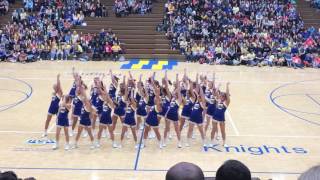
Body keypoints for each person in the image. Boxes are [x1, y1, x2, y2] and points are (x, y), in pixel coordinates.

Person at [141, 77, 163, 149]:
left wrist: (153, 82)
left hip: (154, 121)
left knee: (157, 132)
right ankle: (144, 143)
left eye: (156, 99)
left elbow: (157, 94)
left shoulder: (158, 105)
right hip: (148, 119)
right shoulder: (153, 106)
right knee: (145, 131)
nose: (154, 99)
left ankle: (160, 143)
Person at [73, 81, 95, 149]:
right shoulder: (84, 103)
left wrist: (82, 88)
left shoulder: (88, 105)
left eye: (85, 99)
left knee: (90, 133)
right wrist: (80, 87)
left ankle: (92, 144)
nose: (84, 99)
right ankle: (75, 144)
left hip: (87, 122)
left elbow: (84, 96)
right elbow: (81, 96)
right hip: (82, 121)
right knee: (79, 132)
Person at [186, 74, 207, 147]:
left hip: (199, 118)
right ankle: (188, 142)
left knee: (201, 131)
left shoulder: (203, 102)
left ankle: (204, 142)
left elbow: (203, 106)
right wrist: (191, 82)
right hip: (192, 116)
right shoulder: (195, 100)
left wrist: (200, 96)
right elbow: (193, 91)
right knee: (190, 129)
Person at [163, 72, 182, 148]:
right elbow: (167, 88)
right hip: (168, 115)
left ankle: (179, 142)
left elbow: (179, 89)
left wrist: (177, 77)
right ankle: (164, 141)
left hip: (175, 117)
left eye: (175, 93)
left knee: (177, 130)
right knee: (166, 128)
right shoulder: (172, 98)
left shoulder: (179, 100)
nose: (173, 93)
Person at [211, 82, 230, 147]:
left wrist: (227, 86)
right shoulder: (218, 100)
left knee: (223, 131)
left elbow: (227, 94)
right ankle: (211, 142)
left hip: (221, 118)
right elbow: (216, 92)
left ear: (224, 97)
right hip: (215, 117)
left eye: (222, 96)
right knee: (213, 129)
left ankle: (224, 143)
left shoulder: (226, 103)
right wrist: (218, 86)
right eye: (221, 95)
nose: (220, 96)